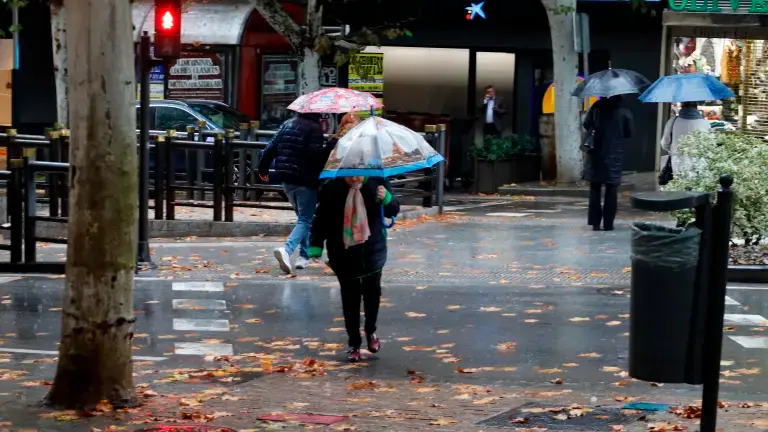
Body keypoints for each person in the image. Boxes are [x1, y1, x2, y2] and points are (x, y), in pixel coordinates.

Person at [308, 176, 400, 362]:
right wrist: (316, 245)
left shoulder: (377, 182)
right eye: (351, 174)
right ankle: (354, 343)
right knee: (350, 297)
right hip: (343, 251)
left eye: (359, 173)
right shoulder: (331, 187)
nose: (355, 178)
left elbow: (394, 210)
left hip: (372, 249)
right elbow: (321, 218)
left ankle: (371, 331)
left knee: (372, 293)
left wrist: (387, 198)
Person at [258, 113, 335, 274]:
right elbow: (317, 158)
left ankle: (304, 257)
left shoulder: (287, 123)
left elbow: (272, 146)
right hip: (305, 180)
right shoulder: (314, 129)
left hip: (286, 179)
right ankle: (287, 250)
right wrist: (331, 145)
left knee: (302, 218)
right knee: (305, 219)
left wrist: (263, 168)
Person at [583, 95, 634, 232]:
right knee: (612, 189)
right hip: (614, 153)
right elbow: (629, 132)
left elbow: (586, 124)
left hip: (596, 152)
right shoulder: (624, 110)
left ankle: (595, 222)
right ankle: (608, 224)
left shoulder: (596, 107)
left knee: (595, 188)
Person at [660, 101, 710, 174]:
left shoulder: (673, 121)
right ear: (696, 106)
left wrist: (673, 150)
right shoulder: (705, 123)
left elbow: (664, 143)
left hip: (678, 160)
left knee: (679, 183)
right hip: (698, 161)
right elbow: (708, 145)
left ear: (682, 106)